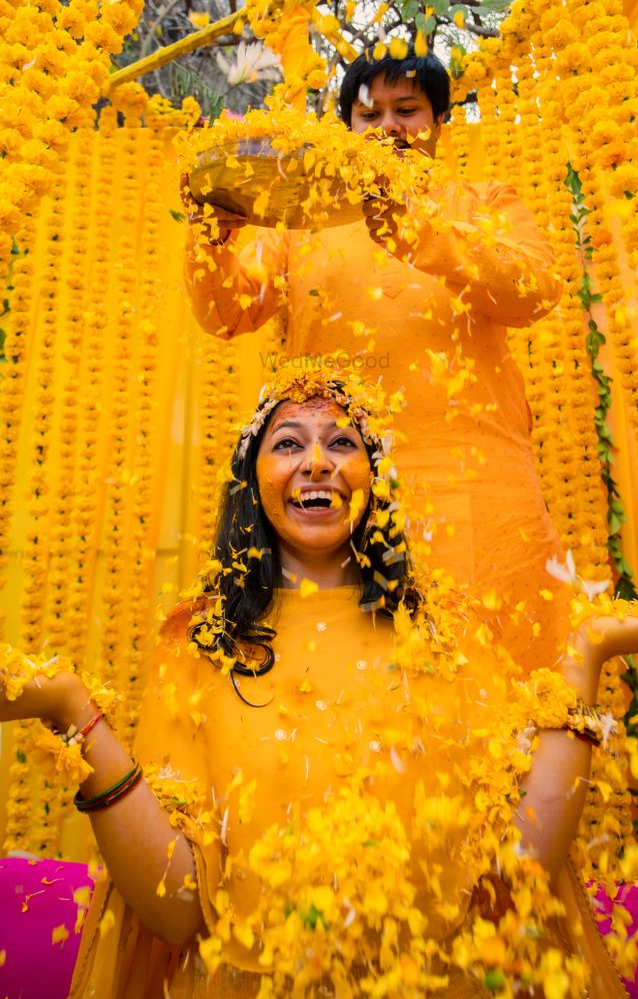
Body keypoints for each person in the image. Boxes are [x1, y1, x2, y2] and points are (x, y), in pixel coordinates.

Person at [0, 366, 638, 999]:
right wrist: (72, 713)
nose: (317, 461)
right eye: (288, 441)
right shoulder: (199, 643)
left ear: (374, 475)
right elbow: (178, 909)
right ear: (251, 477)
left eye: (342, 441)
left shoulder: (448, 634)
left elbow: (518, 873)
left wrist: (587, 655)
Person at [182, 48, 570, 669]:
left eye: (407, 110)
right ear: (348, 131)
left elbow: (536, 290)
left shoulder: (483, 200)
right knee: (355, 680)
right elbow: (228, 313)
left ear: (439, 122)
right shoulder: (300, 220)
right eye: (370, 115)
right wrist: (211, 233)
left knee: (509, 672)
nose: (389, 127)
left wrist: (417, 228)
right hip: (336, 486)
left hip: (479, 482)